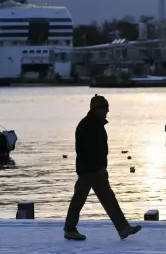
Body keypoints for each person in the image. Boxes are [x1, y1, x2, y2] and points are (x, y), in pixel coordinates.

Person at [63, 94, 142, 241]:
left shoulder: (95, 124)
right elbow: (87, 150)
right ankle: (70, 229)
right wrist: (98, 168)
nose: (107, 111)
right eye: (105, 108)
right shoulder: (88, 125)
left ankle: (122, 228)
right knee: (85, 199)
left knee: (103, 199)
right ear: (97, 109)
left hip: (95, 169)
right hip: (90, 170)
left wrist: (101, 167)